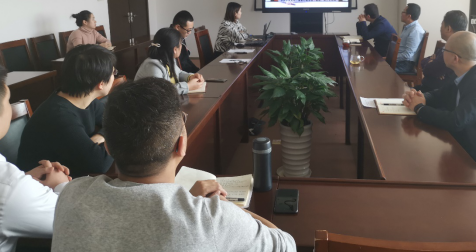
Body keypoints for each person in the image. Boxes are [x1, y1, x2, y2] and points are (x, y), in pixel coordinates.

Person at [52, 78, 296, 252]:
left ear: (107, 148)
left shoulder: (71, 195)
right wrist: (218, 208)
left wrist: (188, 203)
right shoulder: (211, 218)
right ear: (181, 145)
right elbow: (286, 245)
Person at [402, 31, 476, 170]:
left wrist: (419, 108)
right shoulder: (466, 72)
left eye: (444, 50)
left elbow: (455, 121)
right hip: (459, 140)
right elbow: (440, 95)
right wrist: (420, 97)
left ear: (455, 58)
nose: (441, 54)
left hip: (475, 157)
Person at [0, 65, 72, 252]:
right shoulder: (10, 189)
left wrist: (25, 180)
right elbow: (75, 220)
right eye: (8, 101)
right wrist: (61, 185)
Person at [18, 45, 115, 178]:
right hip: (43, 186)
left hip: (70, 174)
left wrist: (101, 135)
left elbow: (116, 119)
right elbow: (100, 163)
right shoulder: (58, 116)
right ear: (101, 83)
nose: (114, 76)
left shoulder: (83, 98)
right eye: (113, 73)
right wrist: (115, 134)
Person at [135, 28, 203, 95]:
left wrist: (190, 77)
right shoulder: (152, 66)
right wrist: (188, 86)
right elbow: (160, 92)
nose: (181, 46)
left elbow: (178, 73)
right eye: (181, 43)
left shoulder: (169, 58)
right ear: (175, 49)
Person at [420, 10, 468, 92]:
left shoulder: (452, 50)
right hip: (430, 89)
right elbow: (423, 61)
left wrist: (432, 62)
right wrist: (431, 62)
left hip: (434, 93)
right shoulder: (448, 45)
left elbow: (428, 70)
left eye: (441, 25)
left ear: (448, 28)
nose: (440, 28)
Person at [396, 3, 425, 74]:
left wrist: (392, 57)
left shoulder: (415, 30)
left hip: (405, 64)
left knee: (382, 70)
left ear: (409, 16)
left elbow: (407, 55)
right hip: (400, 61)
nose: (401, 13)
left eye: (403, 12)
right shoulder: (408, 27)